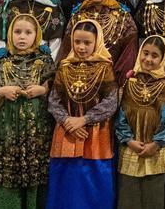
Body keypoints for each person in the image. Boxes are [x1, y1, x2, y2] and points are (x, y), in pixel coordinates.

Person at [0, 13, 55, 209]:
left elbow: (58, 90)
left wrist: (43, 89)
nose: (22, 37)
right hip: (5, 128)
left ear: (37, 35)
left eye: (28, 32)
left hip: (36, 130)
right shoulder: (1, 60)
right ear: (9, 34)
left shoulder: (45, 60)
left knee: (34, 174)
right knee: (4, 175)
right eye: (17, 32)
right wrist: (1, 91)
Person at [48, 19, 121, 209]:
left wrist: (84, 120)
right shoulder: (64, 67)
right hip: (66, 131)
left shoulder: (104, 67)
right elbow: (53, 100)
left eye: (87, 43)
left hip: (95, 133)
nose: (81, 47)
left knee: (94, 181)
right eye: (77, 42)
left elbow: (111, 102)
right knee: (66, 182)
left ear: (97, 42)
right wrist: (66, 121)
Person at [116, 36, 165, 209]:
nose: (148, 59)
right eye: (145, 53)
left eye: (154, 55)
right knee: (129, 196)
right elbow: (121, 116)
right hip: (131, 147)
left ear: (163, 58)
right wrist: (129, 140)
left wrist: (156, 144)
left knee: (154, 196)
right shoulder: (130, 82)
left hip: (156, 150)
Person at [62, 0, 139, 83]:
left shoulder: (123, 17)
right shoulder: (78, 15)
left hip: (111, 80)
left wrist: (116, 82)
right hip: (79, 79)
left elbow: (128, 56)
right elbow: (66, 52)